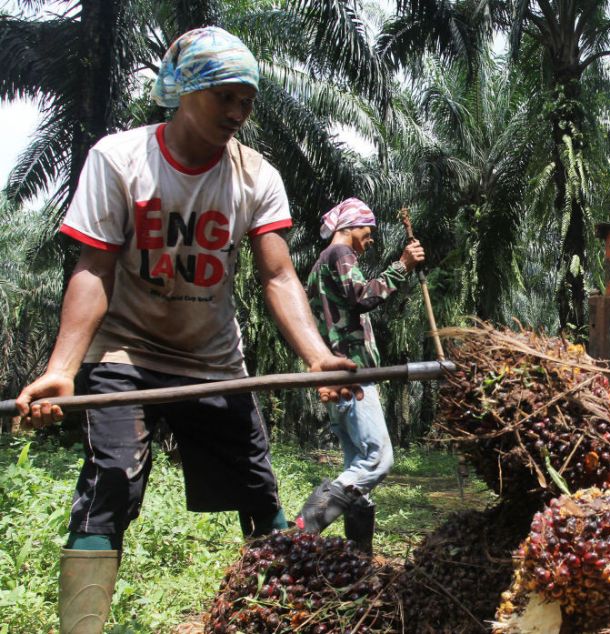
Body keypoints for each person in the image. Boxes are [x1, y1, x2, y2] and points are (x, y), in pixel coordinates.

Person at [14, 27, 360, 634]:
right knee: (110, 486)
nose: (237, 112)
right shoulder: (119, 159)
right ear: (182, 91)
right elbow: (93, 267)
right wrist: (62, 369)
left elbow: (277, 277)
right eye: (224, 96)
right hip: (125, 350)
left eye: (246, 101)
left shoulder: (256, 176)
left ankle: (279, 618)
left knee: (259, 491)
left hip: (214, 360)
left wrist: (316, 355)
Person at [295, 198, 425, 552]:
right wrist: (402, 266)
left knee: (357, 467)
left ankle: (358, 556)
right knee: (379, 460)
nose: (370, 239)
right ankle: (303, 530)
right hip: (352, 373)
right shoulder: (340, 255)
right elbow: (363, 296)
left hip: (339, 376)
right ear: (350, 226)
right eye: (367, 230)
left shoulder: (320, 267)